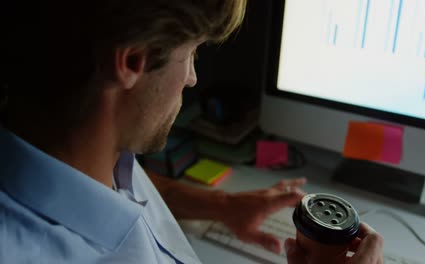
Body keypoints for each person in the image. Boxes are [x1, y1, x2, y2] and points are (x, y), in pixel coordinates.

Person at [0, 1, 383, 263]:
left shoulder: (81, 146)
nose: (192, 78)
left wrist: (221, 206)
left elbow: (108, 193)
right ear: (134, 59)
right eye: (193, 52)